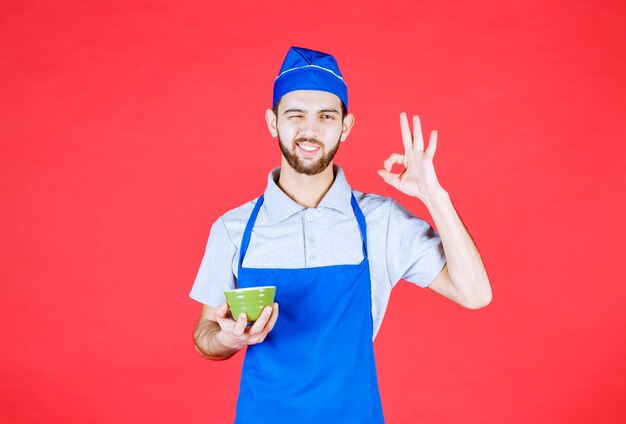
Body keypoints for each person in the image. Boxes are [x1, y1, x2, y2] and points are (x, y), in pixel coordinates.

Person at [190, 46, 492, 423]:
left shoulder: (381, 221)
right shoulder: (233, 229)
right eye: (295, 114)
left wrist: (435, 195)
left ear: (345, 126)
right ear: (273, 122)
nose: (310, 130)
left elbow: (475, 293)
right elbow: (205, 334)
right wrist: (229, 339)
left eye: (326, 116)